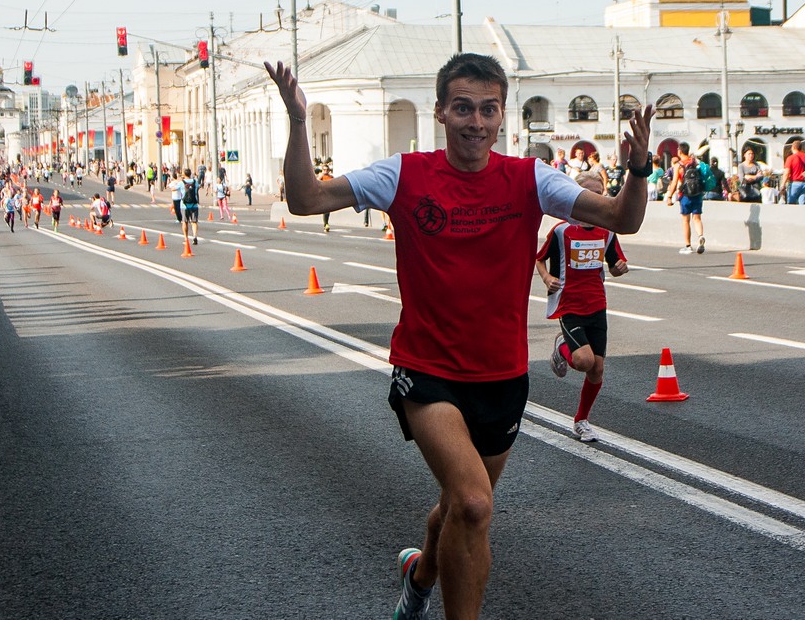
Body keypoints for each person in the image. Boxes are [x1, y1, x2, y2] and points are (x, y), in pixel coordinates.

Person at [264, 53, 653, 620]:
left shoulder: (529, 179)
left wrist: (638, 170)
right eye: (463, 108)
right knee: (474, 502)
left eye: (488, 109)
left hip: (501, 377)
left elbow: (623, 218)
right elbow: (306, 200)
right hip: (426, 371)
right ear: (441, 113)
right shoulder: (403, 174)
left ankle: (418, 579)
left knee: (456, 505)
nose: (476, 121)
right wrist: (300, 120)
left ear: (502, 117)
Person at [535, 172, 629, 443]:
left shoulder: (607, 232)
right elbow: (539, 259)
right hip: (569, 304)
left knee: (596, 369)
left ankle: (581, 421)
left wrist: (620, 268)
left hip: (597, 304)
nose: (596, 197)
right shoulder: (562, 230)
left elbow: (615, 265)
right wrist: (547, 278)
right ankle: (562, 348)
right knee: (584, 360)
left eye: (599, 192)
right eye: (590, 192)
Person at [665, 142, 707, 255]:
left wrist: (669, 196)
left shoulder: (678, 165)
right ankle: (700, 236)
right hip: (697, 193)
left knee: (685, 220)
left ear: (679, 151)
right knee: (697, 218)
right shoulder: (695, 162)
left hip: (685, 195)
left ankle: (688, 246)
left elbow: (674, 183)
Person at [780, 139, 805, 205]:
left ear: (793, 147)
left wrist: (783, 184)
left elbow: (787, 172)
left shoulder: (790, 158)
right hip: (804, 183)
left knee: (791, 204)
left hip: (794, 183)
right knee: (802, 203)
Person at [180, 168, 200, 245]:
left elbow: (174, 188)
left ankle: (186, 238)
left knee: (185, 222)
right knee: (194, 222)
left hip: (184, 205)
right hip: (194, 204)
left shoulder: (181, 183)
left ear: (184, 174)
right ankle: (195, 236)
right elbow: (198, 188)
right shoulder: (195, 182)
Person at [318, 165, 334, 231]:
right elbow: (316, 183)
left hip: (329, 195)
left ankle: (326, 223)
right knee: (326, 210)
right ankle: (326, 224)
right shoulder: (321, 177)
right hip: (323, 195)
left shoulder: (331, 177)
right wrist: (320, 176)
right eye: (324, 170)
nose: (326, 171)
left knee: (328, 210)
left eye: (327, 170)